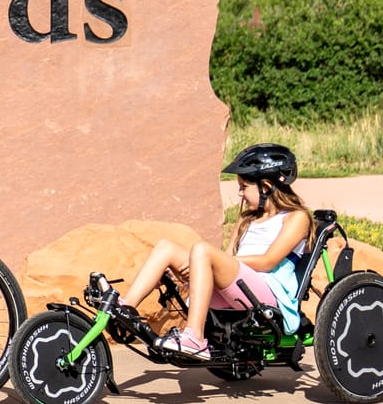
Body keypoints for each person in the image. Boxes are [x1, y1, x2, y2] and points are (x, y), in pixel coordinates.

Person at [114, 142, 312, 359]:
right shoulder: (247, 219)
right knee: (166, 248)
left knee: (202, 250)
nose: (240, 194)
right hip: (238, 290)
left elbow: (268, 261)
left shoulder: (296, 217)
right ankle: (126, 308)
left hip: (267, 295)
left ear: (265, 187)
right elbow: (227, 259)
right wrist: (198, 270)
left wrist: (208, 262)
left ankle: (195, 338)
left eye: (244, 186)